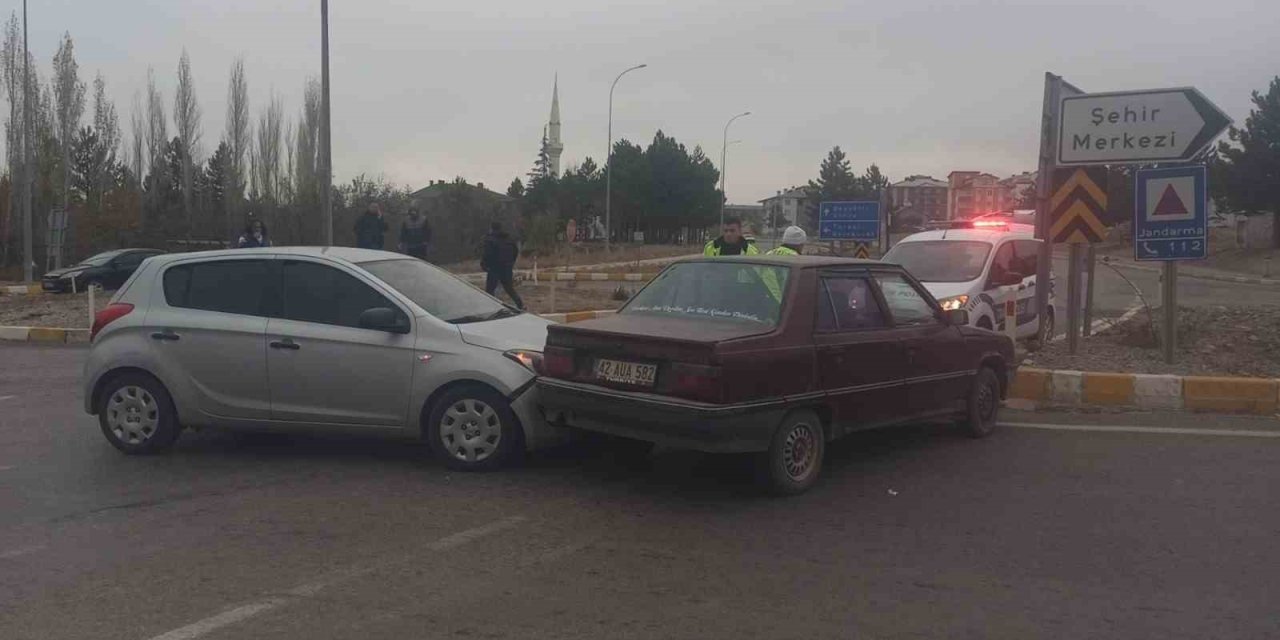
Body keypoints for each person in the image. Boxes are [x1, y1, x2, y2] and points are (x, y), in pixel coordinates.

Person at [481, 221, 525, 310]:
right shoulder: (509, 239)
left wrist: (484, 265)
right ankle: (520, 305)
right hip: (507, 268)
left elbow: (487, 254)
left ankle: (489, 308)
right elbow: (515, 251)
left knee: (489, 291)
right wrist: (510, 263)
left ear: (491, 228)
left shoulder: (490, 239)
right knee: (509, 289)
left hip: (494, 268)